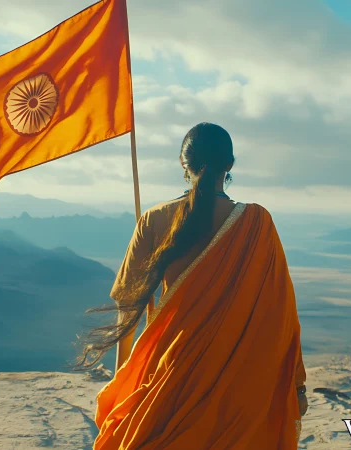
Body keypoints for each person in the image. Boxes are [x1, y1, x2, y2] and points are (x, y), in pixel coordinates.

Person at [76, 122, 307, 449]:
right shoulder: (258, 223)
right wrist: (295, 387)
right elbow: (281, 317)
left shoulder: (154, 219)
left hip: (171, 383)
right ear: (229, 165)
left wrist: (124, 380)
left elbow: (127, 308)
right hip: (243, 395)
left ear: (184, 166)